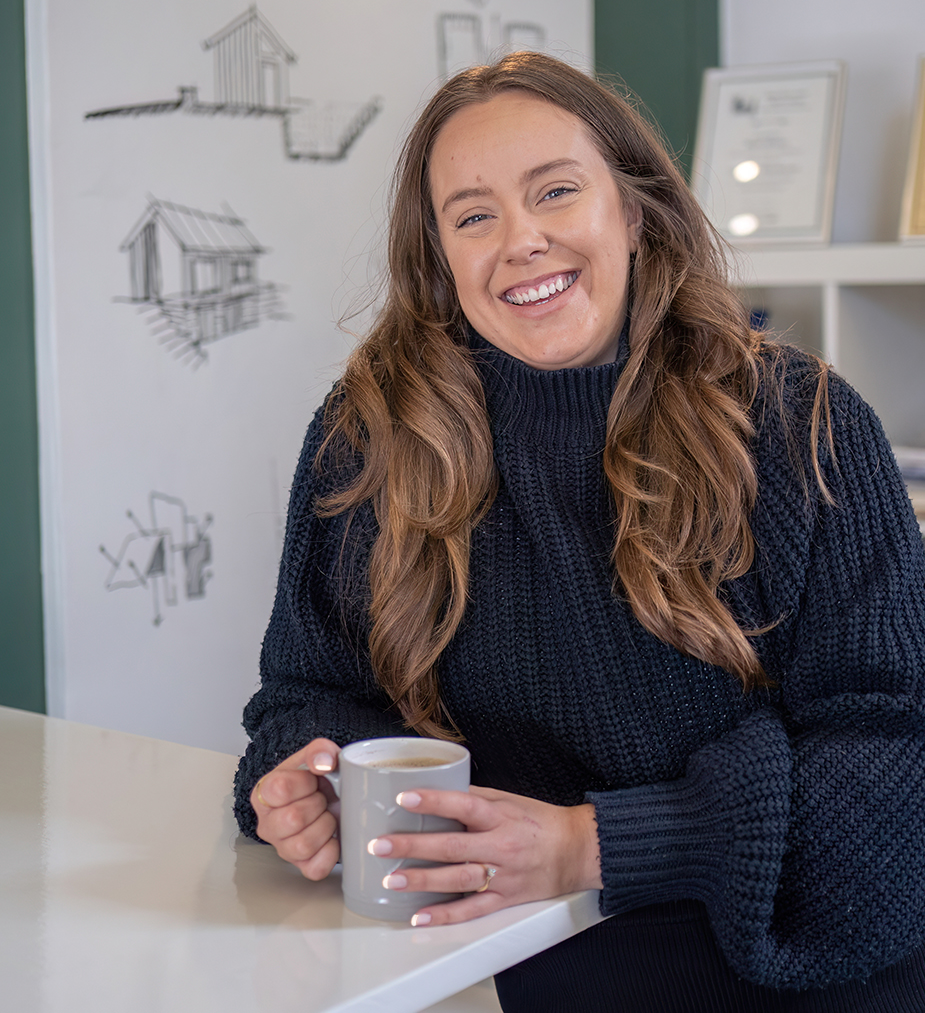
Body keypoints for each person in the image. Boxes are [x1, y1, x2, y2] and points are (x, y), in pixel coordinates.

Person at [234, 52, 925, 1011]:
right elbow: (310, 695)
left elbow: (895, 769)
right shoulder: (373, 435)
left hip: (812, 969)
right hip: (528, 965)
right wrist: (304, 786)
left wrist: (590, 845)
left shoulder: (800, 423)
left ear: (632, 214)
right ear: (440, 257)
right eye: (473, 215)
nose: (520, 241)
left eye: (555, 192)